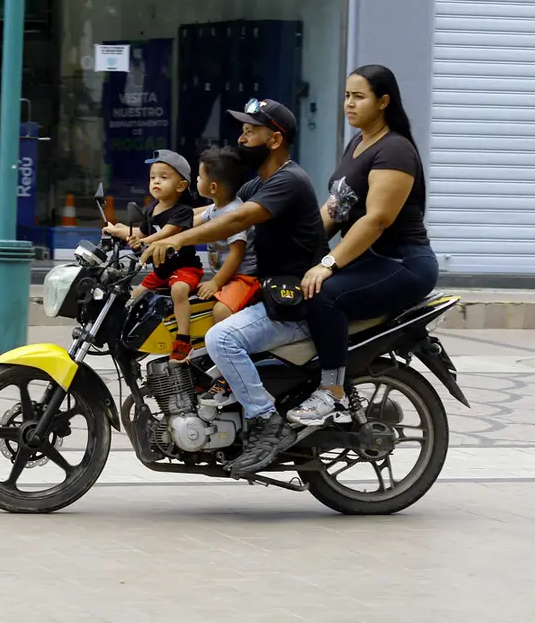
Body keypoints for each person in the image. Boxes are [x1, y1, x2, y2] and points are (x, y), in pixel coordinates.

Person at [142, 98, 328, 476]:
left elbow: (235, 220)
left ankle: (266, 422)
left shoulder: (289, 181)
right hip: (273, 296)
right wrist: (146, 234)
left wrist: (177, 242)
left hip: (294, 305)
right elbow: (208, 213)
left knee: (221, 338)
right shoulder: (259, 182)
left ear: (274, 140)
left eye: (250, 130)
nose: (241, 137)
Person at [288, 64, 439, 426]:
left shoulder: (395, 151)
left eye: (359, 97)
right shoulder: (358, 143)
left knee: (325, 294)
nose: (349, 104)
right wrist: (297, 249)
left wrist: (327, 263)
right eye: (346, 96)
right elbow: (336, 209)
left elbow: (376, 220)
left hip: (403, 263)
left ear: (383, 101)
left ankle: (332, 393)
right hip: (371, 258)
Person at [104, 150, 205, 362]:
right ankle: (126, 337)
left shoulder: (182, 211)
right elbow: (141, 233)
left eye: (164, 177)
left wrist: (144, 242)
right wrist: (116, 230)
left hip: (184, 268)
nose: (156, 181)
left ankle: (183, 339)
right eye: (153, 177)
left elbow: (167, 233)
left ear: (181, 186)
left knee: (179, 291)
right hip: (162, 271)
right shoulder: (151, 209)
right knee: (134, 295)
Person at [193, 145, 259, 327]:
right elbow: (192, 222)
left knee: (221, 312)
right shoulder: (216, 208)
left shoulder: (233, 214)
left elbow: (236, 255)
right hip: (227, 276)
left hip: (243, 278)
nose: (196, 180)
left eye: (199, 177)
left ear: (213, 187)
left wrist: (215, 283)